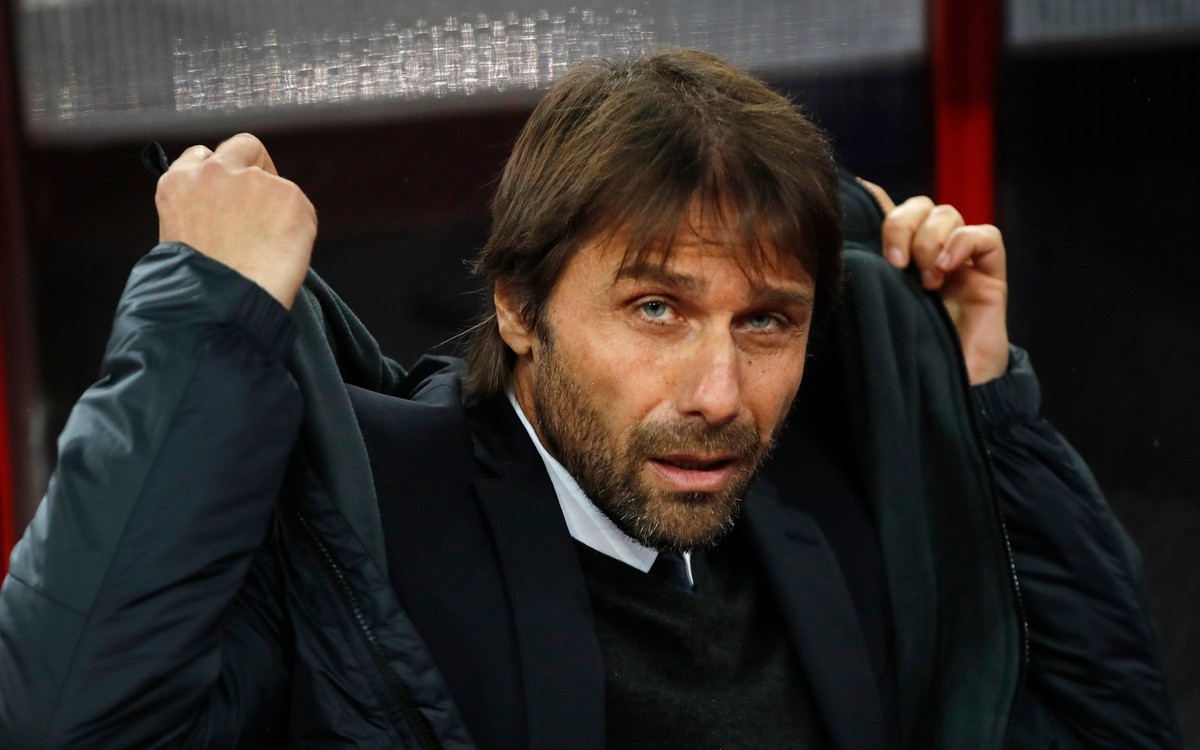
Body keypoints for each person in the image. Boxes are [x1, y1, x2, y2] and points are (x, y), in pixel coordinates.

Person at [0, 49, 1179, 749]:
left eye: (765, 321)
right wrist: (204, 315)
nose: (718, 394)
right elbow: (66, 725)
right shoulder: (361, 528)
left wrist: (984, 404)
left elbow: (1111, 727)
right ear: (519, 307)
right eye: (656, 308)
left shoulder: (828, 519)